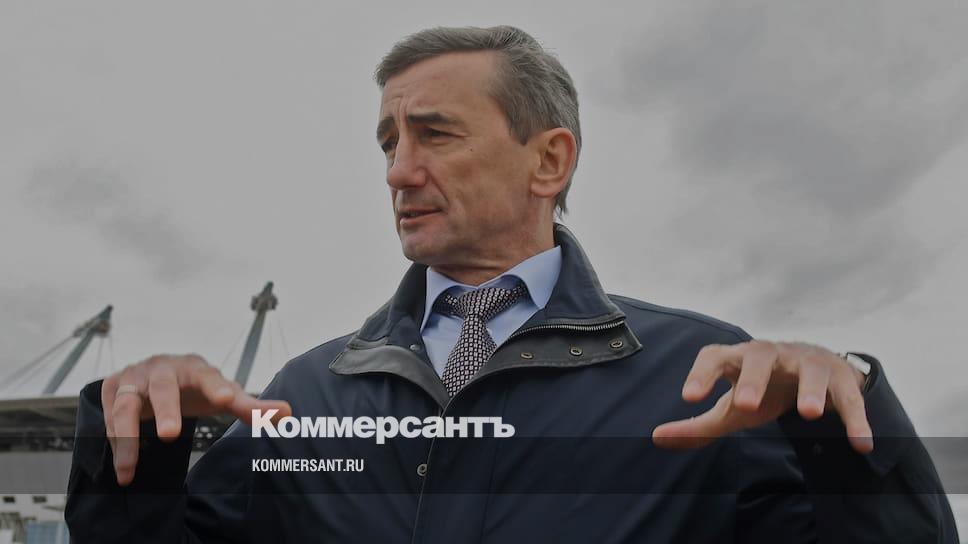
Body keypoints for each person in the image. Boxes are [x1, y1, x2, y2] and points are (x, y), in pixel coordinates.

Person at [66, 26, 958, 543]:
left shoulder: (704, 383)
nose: (397, 171)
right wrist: (136, 447)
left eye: (435, 135)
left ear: (548, 161)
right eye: (388, 142)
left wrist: (847, 433)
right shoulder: (305, 397)